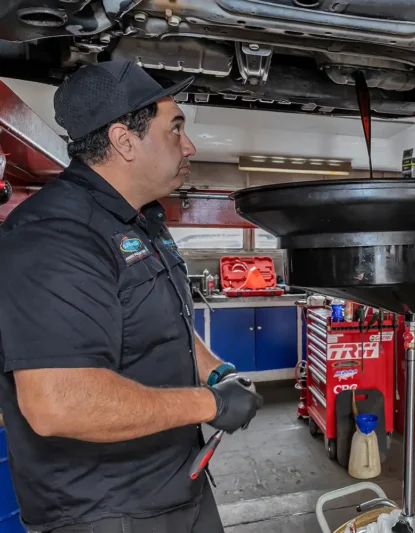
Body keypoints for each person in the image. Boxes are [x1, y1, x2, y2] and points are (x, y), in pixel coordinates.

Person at [0, 61, 262, 533]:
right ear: (124, 140)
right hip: (106, 511)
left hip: (177, 483)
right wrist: (212, 404)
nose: (189, 145)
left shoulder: (142, 221)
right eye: (175, 128)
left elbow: (164, 326)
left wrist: (216, 371)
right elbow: (60, 402)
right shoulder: (56, 234)